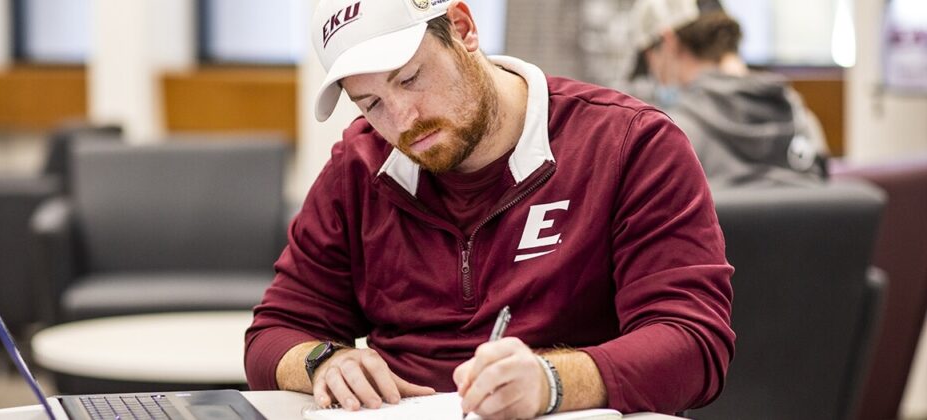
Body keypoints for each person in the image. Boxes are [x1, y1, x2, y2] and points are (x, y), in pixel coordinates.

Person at [244, 0, 735, 418]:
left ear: (463, 28)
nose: (402, 121)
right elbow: (274, 332)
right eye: (370, 103)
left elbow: (692, 343)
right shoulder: (359, 168)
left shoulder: (629, 144)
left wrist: (550, 383)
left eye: (411, 78)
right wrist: (323, 361)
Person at [629, 0, 829, 189]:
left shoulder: (675, 134)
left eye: (648, 57)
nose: (653, 72)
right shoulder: (800, 116)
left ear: (669, 42)